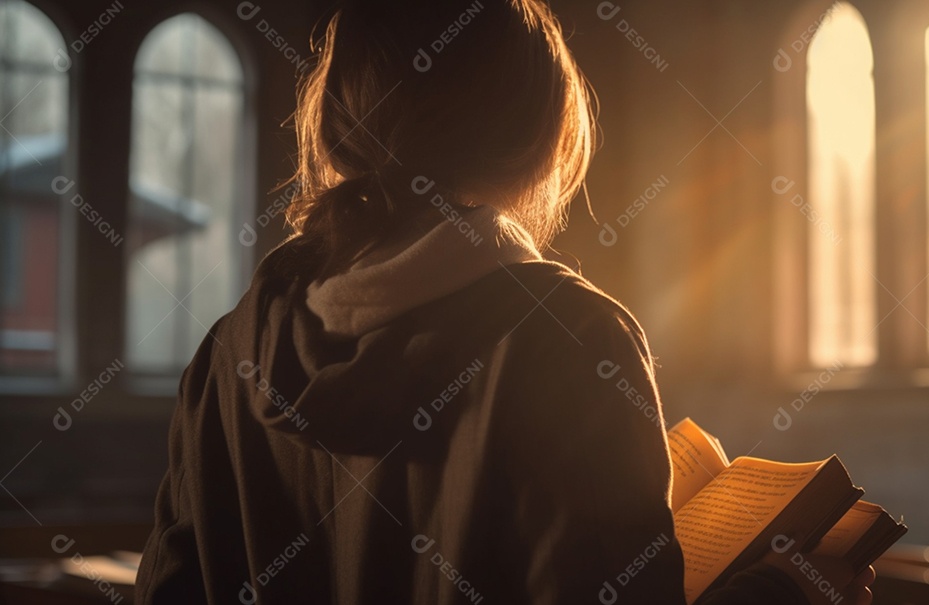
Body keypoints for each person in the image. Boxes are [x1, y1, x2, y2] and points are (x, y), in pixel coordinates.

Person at [134, 1, 875, 603]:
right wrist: (788, 589)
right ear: (535, 136)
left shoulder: (229, 356)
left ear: (337, 123)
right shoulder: (572, 340)